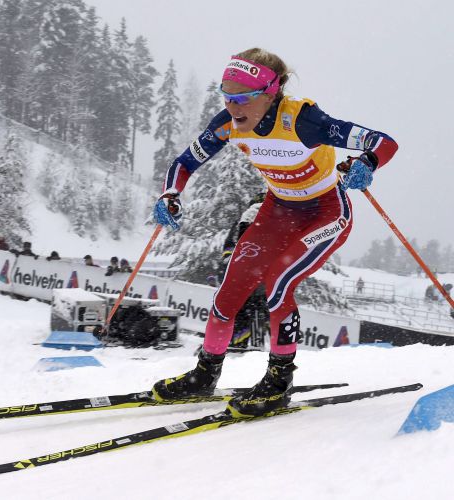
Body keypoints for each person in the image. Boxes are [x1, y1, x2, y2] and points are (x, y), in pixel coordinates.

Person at [151, 47, 398, 417]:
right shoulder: (227, 124)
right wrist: (170, 194)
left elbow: (383, 142)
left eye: (241, 98)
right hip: (278, 211)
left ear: (270, 93)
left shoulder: (304, 120)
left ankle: (279, 382)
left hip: (325, 213)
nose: (232, 106)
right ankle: (205, 374)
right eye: (226, 96)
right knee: (229, 290)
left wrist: (368, 161)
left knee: (278, 281)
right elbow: (184, 163)